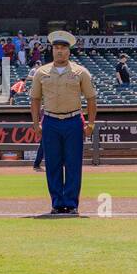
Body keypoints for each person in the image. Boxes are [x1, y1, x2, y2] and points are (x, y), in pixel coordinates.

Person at [29, 31, 97, 215]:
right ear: (52, 50)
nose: (59, 51)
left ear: (69, 51)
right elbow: (35, 99)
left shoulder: (80, 72)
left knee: (74, 163)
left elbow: (91, 98)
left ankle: (72, 203)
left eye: (63, 48)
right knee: (53, 164)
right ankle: (57, 203)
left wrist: (90, 123)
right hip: (50, 121)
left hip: (73, 120)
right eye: (56, 48)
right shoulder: (41, 72)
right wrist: (36, 124)